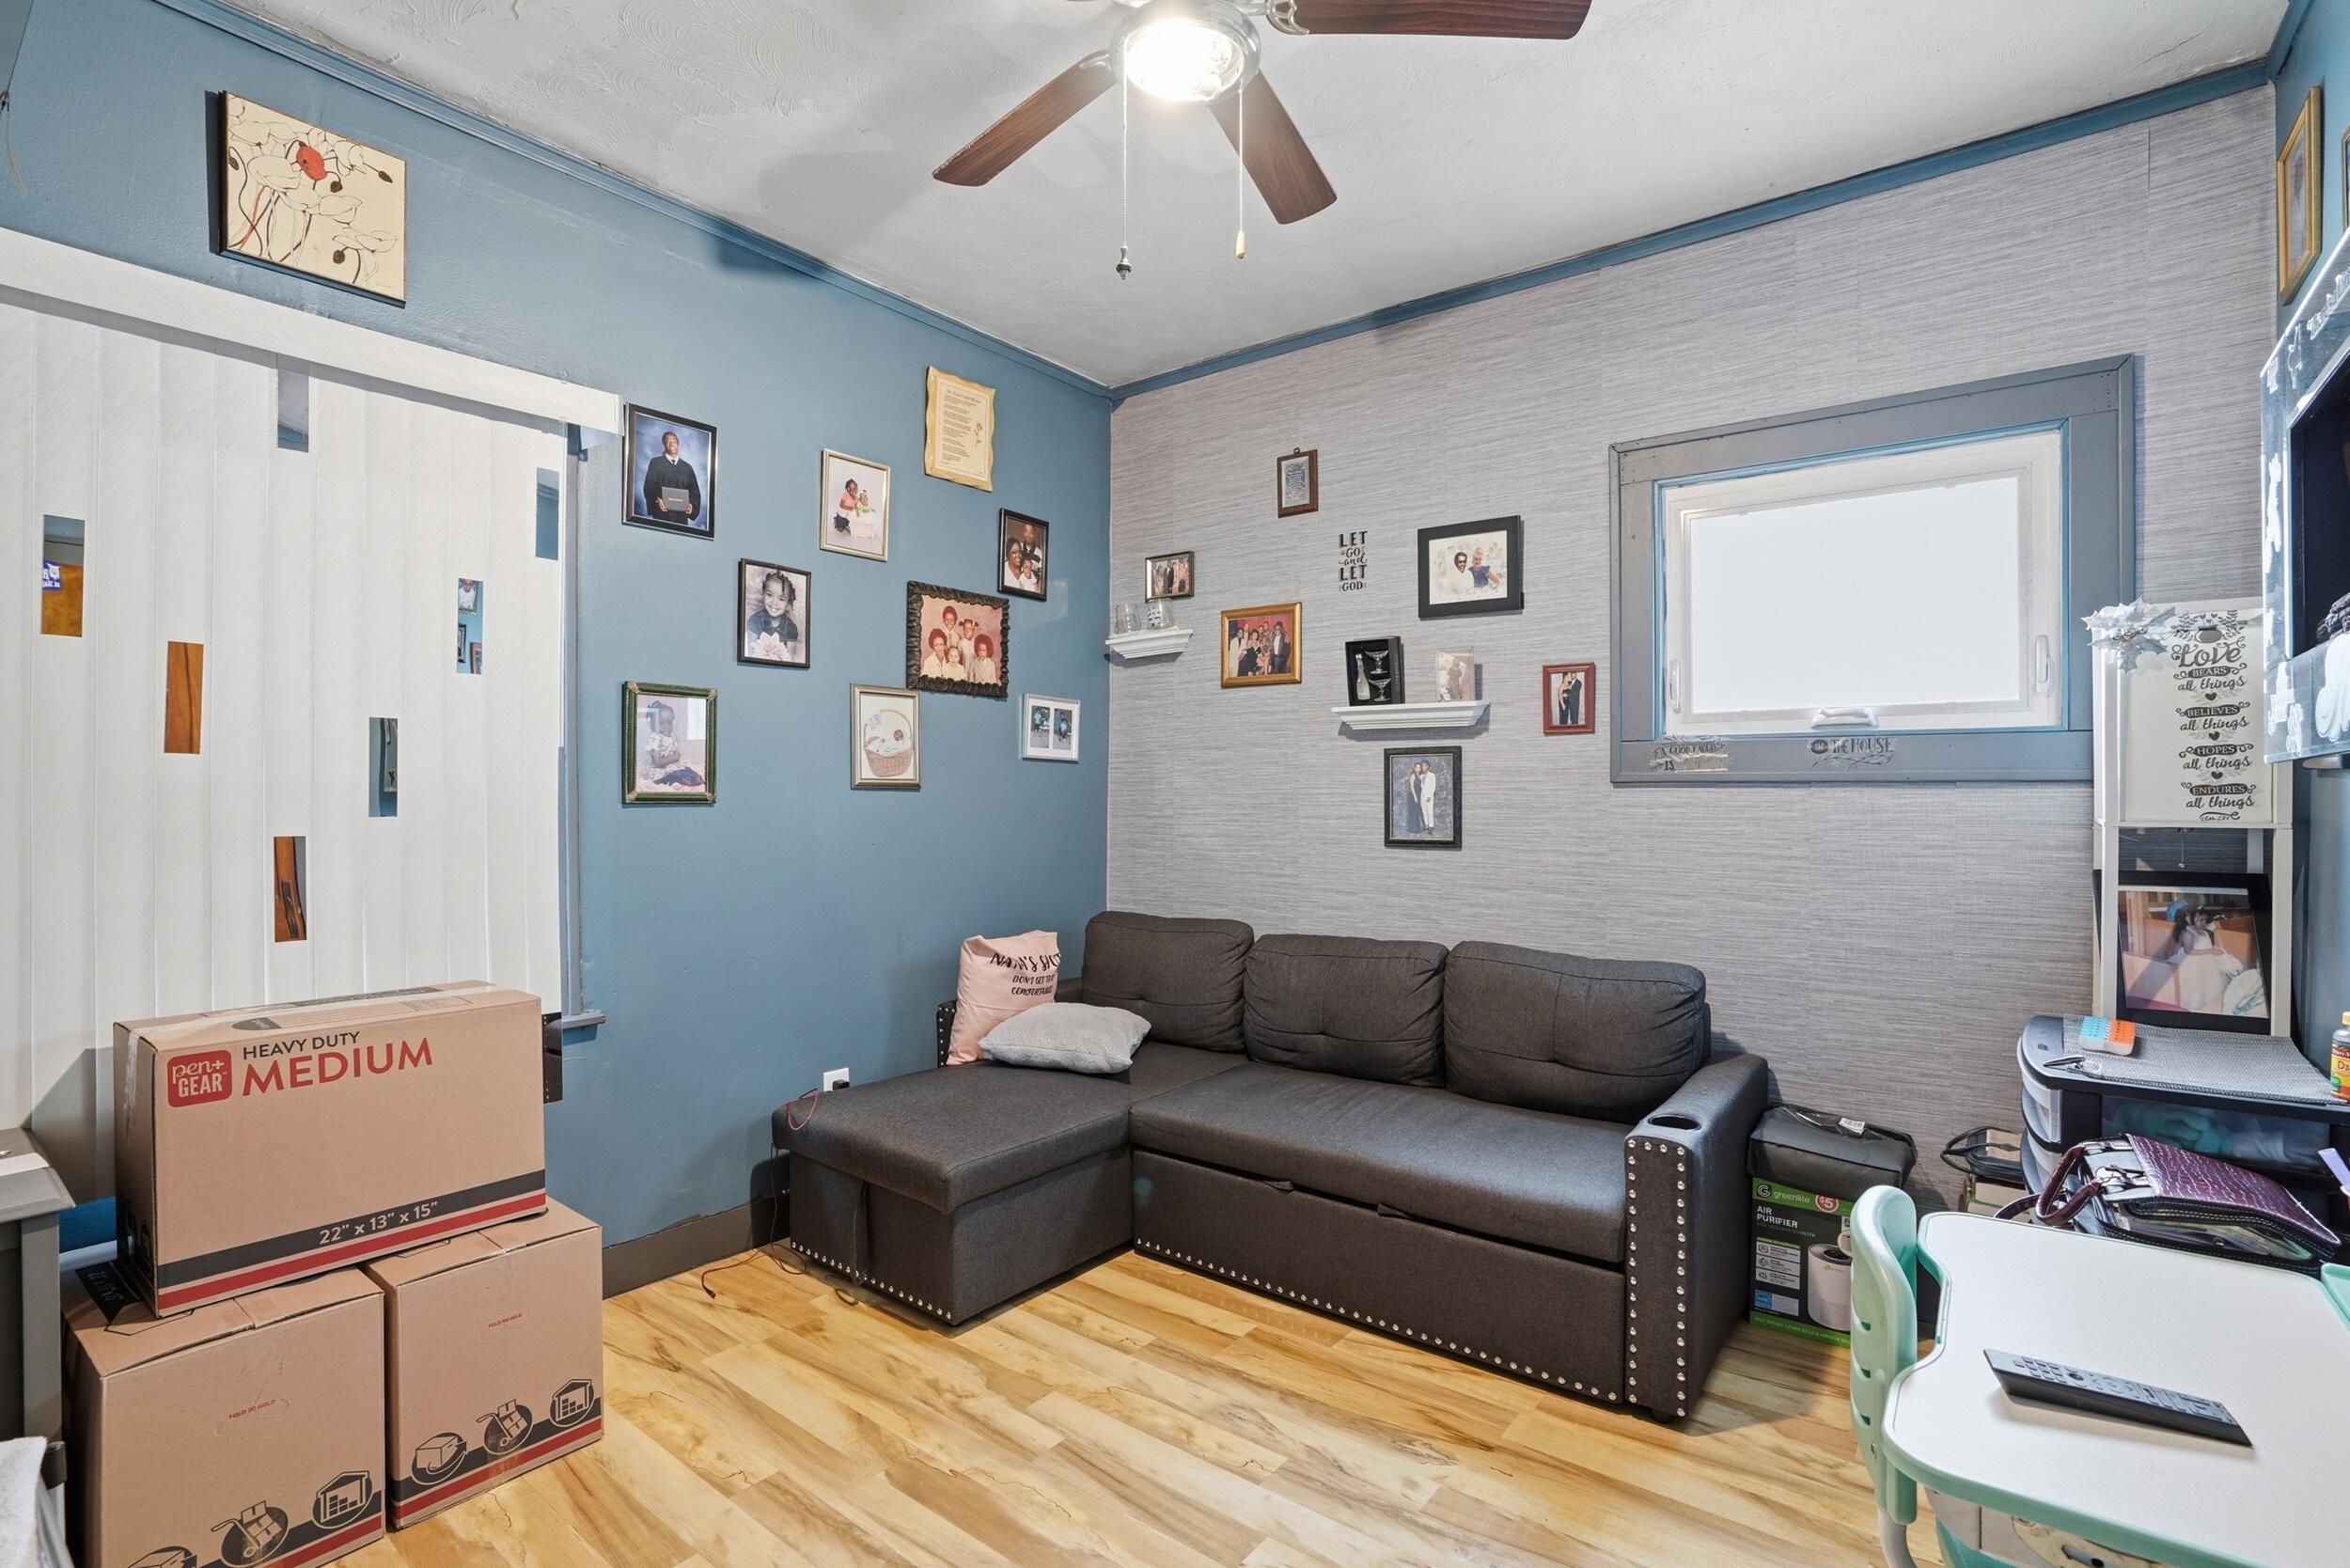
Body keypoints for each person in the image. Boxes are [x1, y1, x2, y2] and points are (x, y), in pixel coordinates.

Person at [641, 429, 702, 527]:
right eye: (667, 442)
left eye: (674, 442)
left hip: (681, 518)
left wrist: (691, 504)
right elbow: (649, 486)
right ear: (664, 445)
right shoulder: (656, 463)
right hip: (661, 514)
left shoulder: (687, 467)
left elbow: (694, 492)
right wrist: (657, 499)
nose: (671, 444)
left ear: (678, 444)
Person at [640, 699, 703, 789]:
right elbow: (657, 762)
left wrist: (676, 756)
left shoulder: (671, 736)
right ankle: (685, 782)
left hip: (670, 767)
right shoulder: (654, 739)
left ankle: (695, 779)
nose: (666, 726)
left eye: (669, 723)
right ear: (652, 724)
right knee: (676, 775)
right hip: (659, 772)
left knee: (686, 769)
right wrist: (674, 757)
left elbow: (673, 751)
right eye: (661, 723)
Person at [744, 570, 800, 660]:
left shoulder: (791, 628)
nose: (774, 602)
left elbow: (791, 659)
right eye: (770, 595)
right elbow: (749, 653)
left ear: (788, 605)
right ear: (763, 595)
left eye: (781, 599)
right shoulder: (755, 620)